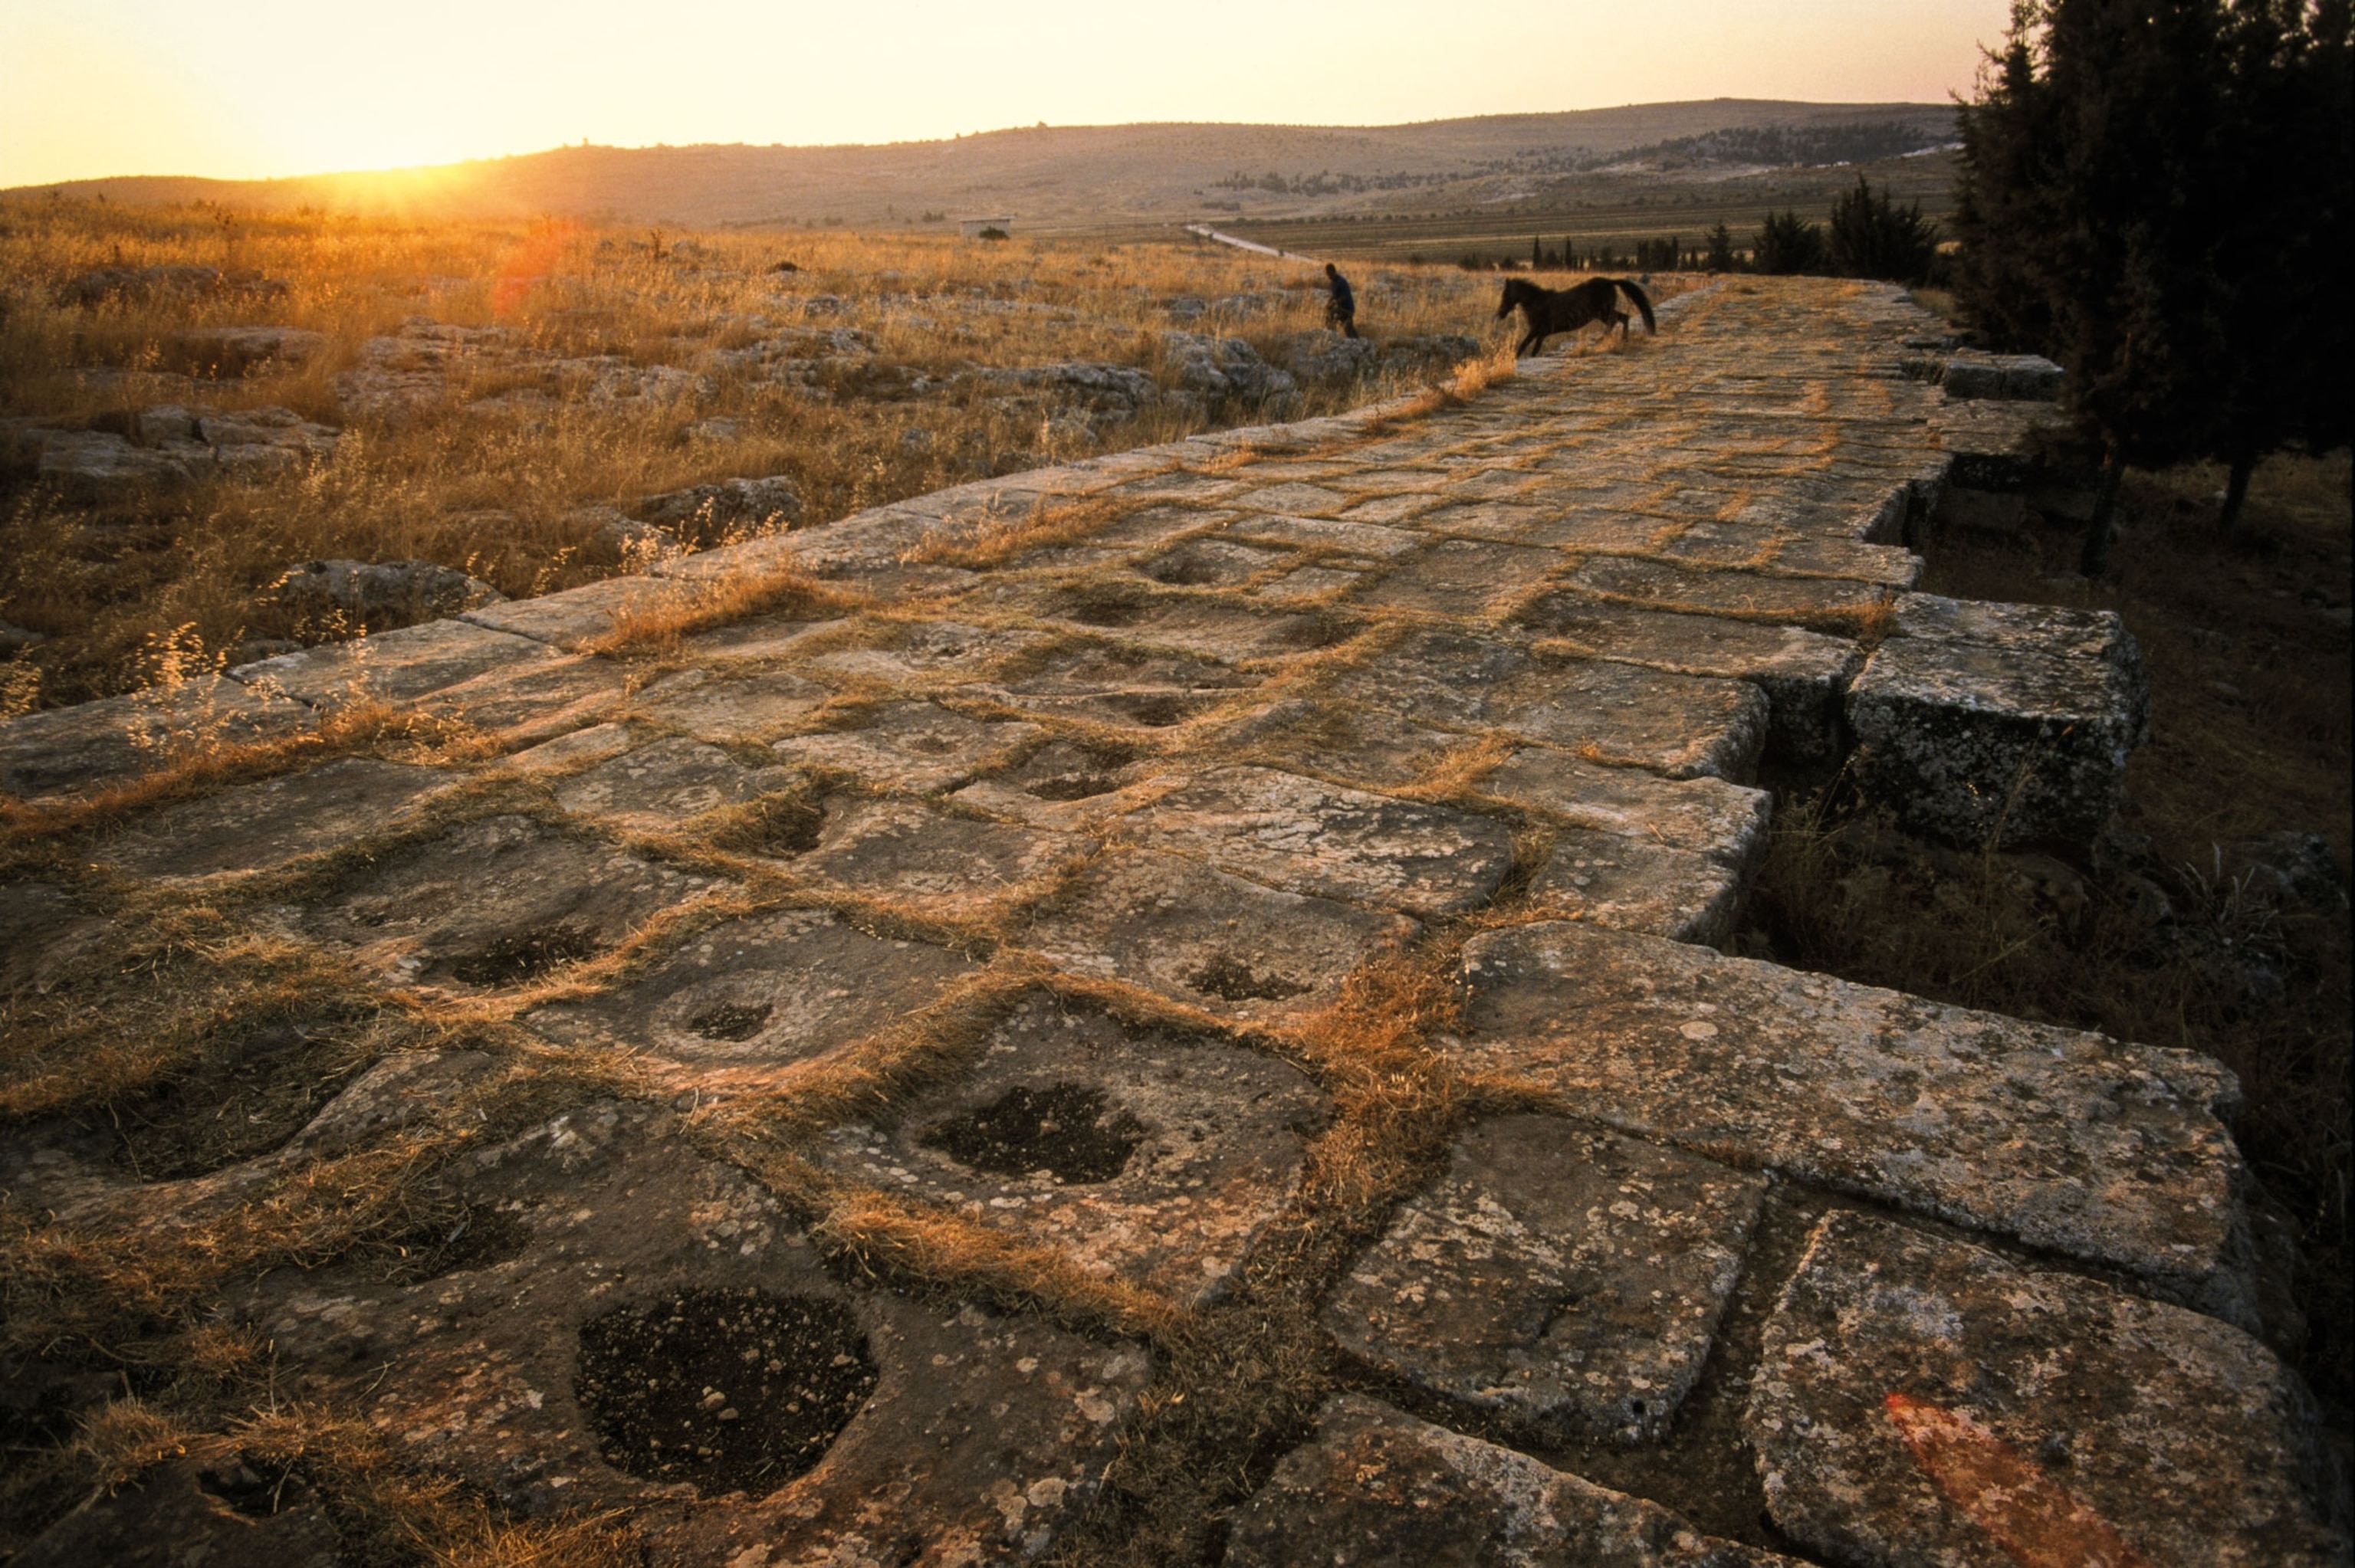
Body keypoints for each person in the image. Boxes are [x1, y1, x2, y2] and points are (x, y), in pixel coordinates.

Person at [1323, 262, 1358, 339]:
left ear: (1333, 271)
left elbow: (1346, 296)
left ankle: (1332, 335)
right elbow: (1334, 294)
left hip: (1347, 309)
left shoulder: (1342, 282)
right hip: (1341, 308)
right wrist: (1329, 303)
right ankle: (1331, 335)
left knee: (1348, 328)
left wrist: (1336, 302)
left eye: (1329, 274)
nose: (1328, 276)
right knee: (1330, 316)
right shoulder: (1333, 283)